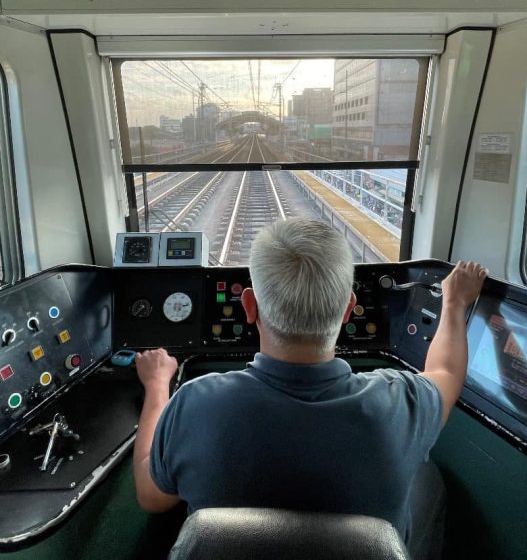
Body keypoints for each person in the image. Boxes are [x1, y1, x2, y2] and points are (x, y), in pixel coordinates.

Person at [133, 218, 488, 559]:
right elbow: (445, 370)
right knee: (428, 477)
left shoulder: (194, 403)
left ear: (249, 307)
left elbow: (152, 496)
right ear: (349, 309)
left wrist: (157, 384)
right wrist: (454, 302)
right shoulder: (400, 403)